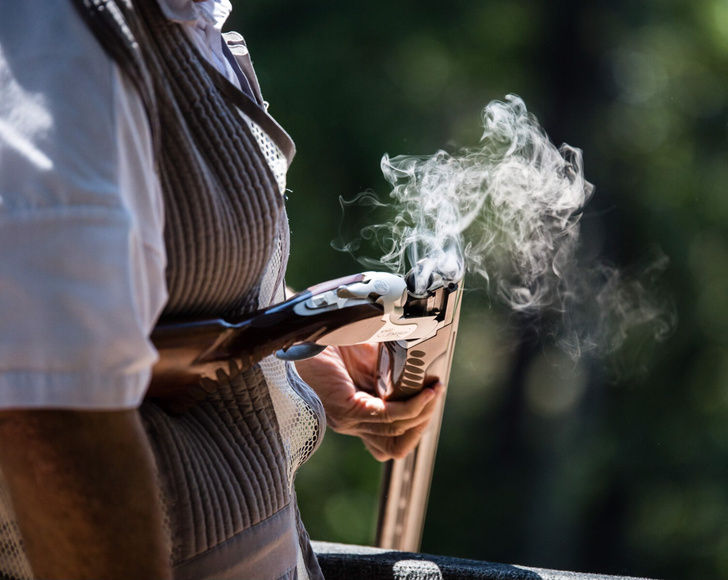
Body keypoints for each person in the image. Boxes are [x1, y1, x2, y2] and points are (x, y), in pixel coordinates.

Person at [0, 1, 444, 579]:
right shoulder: (59, 34)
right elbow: (52, 415)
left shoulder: (183, 21)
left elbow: (160, 295)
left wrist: (297, 341)